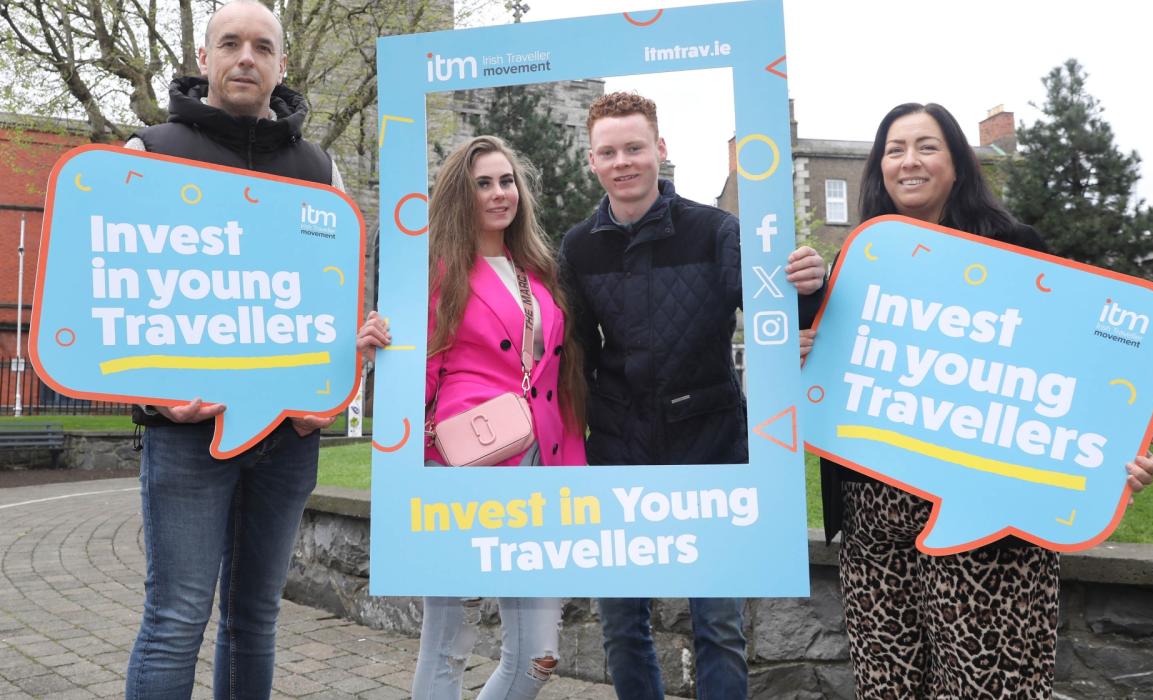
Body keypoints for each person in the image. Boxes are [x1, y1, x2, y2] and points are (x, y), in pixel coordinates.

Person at [790, 102, 1153, 699]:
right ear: (879, 167)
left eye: (927, 146)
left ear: (958, 162)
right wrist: (802, 343)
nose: (909, 161)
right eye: (894, 149)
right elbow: (831, 377)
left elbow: (1072, 368)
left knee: (987, 685)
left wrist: (1122, 440)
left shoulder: (1014, 247)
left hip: (986, 517)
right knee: (886, 686)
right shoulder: (860, 260)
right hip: (874, 517)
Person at [558, 92, 825, 700]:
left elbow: (777, 317)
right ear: (592, 160)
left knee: (719, 627)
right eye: (608, 152)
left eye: (634, 147)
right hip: (618, 454)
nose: (622, 162)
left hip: (711, 448)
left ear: (660, 149)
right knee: (622, 627)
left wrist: (810, 286)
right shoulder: (578, 247)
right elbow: (573, 350)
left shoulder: (715, 230)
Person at [121, 1, 343, 697]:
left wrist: (331, 389)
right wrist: (154, 394)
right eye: (231, 43)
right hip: (188, 431)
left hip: (288, 434)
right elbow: (113, 291)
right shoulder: (148, 153)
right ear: (204, 58)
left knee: (256, 618)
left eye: (262, 47)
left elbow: (333, 295)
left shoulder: (319, 169)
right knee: (176, 618)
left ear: (281, 63)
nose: (246, 57)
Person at [357, 135, 586, 699]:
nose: (499, 193)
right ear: (462, 194)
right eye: (483, 183)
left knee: (538, 656)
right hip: (463, 470)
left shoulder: (539, 269)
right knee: (448, 646)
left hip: (545, 467)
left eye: (506, 181)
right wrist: (382, 354)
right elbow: (419, 377)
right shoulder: (436, 272)